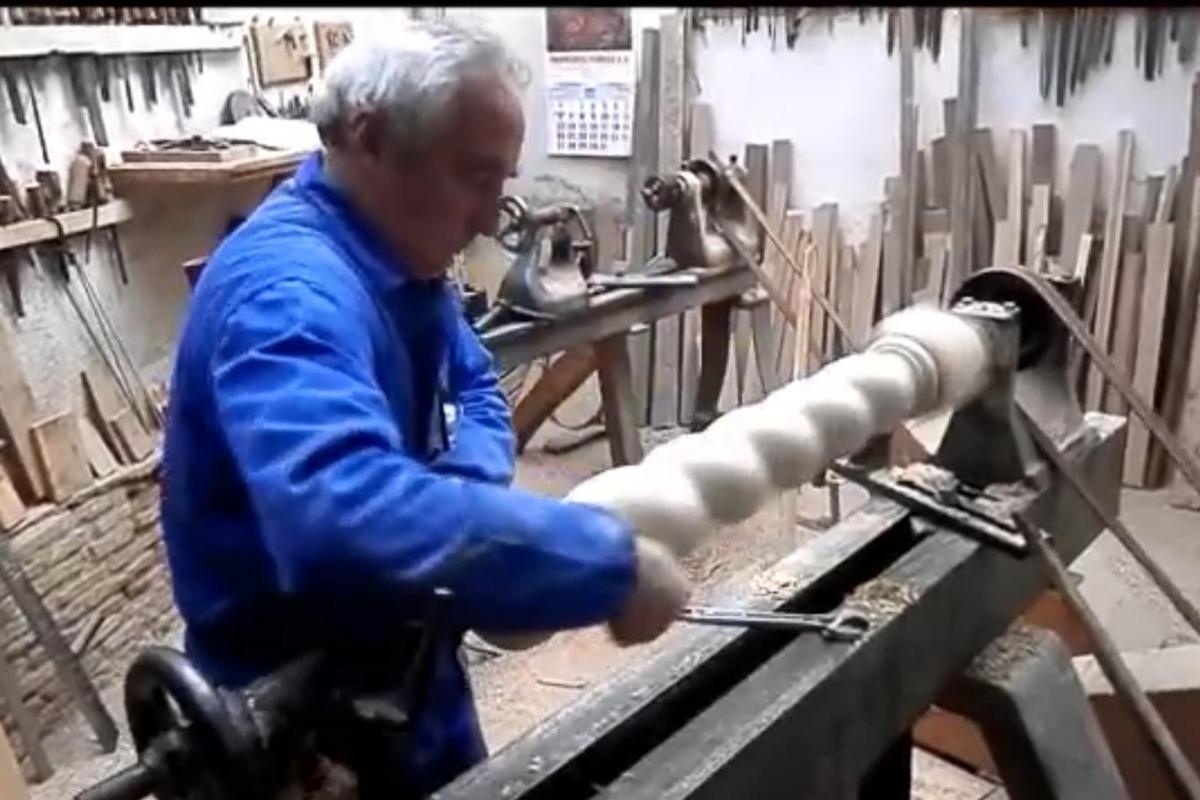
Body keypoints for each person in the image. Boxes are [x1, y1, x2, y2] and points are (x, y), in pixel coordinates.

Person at [159, 20, 692, 798]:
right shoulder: (289, 296)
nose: (490, 217)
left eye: (501, 181)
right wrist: (603, 566)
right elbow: (343, 516)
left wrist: (455, 496)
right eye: (474, 176)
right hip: (302, 727)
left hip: (409, 674)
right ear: (370, 136)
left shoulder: (399, 259)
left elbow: (474, 386)